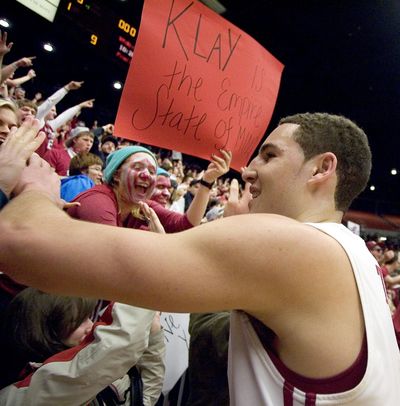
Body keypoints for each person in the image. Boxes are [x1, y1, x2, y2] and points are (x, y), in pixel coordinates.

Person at [1, 113, 400, 405]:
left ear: (321, 169)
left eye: (269, 155)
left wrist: (34, 185)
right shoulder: (360, 260)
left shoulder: (292, 246)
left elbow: (20, 242)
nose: (247, 170)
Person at [0, 288, 165, 405]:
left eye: (88, 317)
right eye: (77, 323)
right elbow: (119, 346)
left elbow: (142, 399)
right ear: (46, 330)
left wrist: (154, 337)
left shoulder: (91, 372)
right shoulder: (36, 388)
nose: (91, 326)